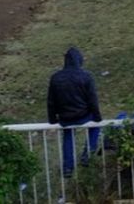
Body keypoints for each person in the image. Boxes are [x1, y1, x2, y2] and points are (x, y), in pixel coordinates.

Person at [47, 47, 102, 178]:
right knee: (95, 128)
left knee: (68, 136)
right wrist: (97, 117)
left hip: (65, 117)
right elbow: (92, 99)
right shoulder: (86, 76)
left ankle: (68, 167)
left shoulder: (55, 78)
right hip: (83, 115)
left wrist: (53, 119)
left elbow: (51, 101)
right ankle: (87, 156)